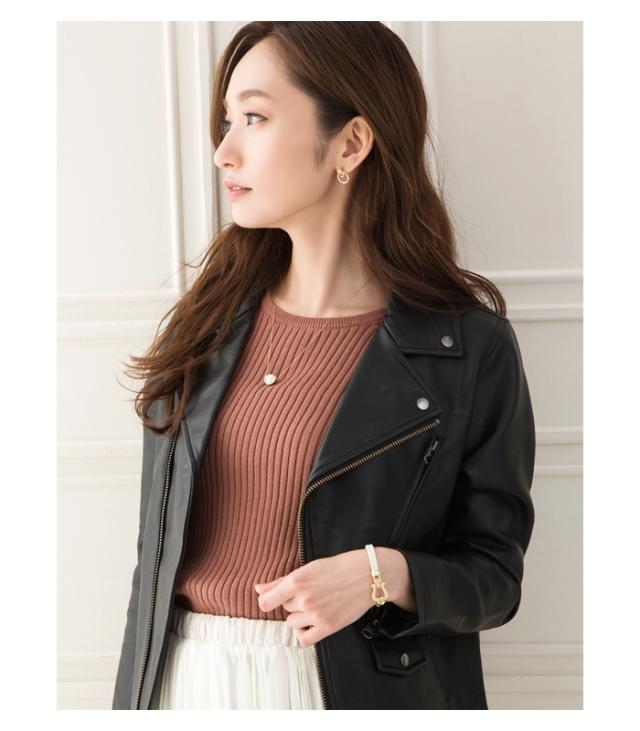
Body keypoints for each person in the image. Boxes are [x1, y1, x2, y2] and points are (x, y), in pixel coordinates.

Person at [113, 21, 535, 711]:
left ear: (351, 143)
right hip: (182, 682)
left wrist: (381, 575)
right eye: (226, 122)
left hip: (341, 687)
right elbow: (151, 566)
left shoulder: (466, 348)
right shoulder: (204, 325)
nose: (223, 151)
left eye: (254, 117)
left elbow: (494, 576)